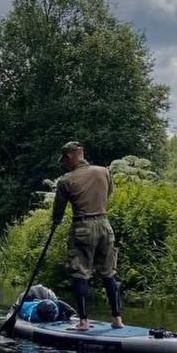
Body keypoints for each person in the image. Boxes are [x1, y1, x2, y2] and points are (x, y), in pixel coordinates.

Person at [52, 141, 123, 331]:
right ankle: (117, 319)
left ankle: (83, 322)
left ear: (69, 157)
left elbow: (58, 208)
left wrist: (55, 223)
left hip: (82, 226)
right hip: (104, 225)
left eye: (65, 159)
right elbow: (109, 193)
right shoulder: (104, 171)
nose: (64, 163)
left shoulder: (66, 180)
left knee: (79, 273)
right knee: (109, 273)